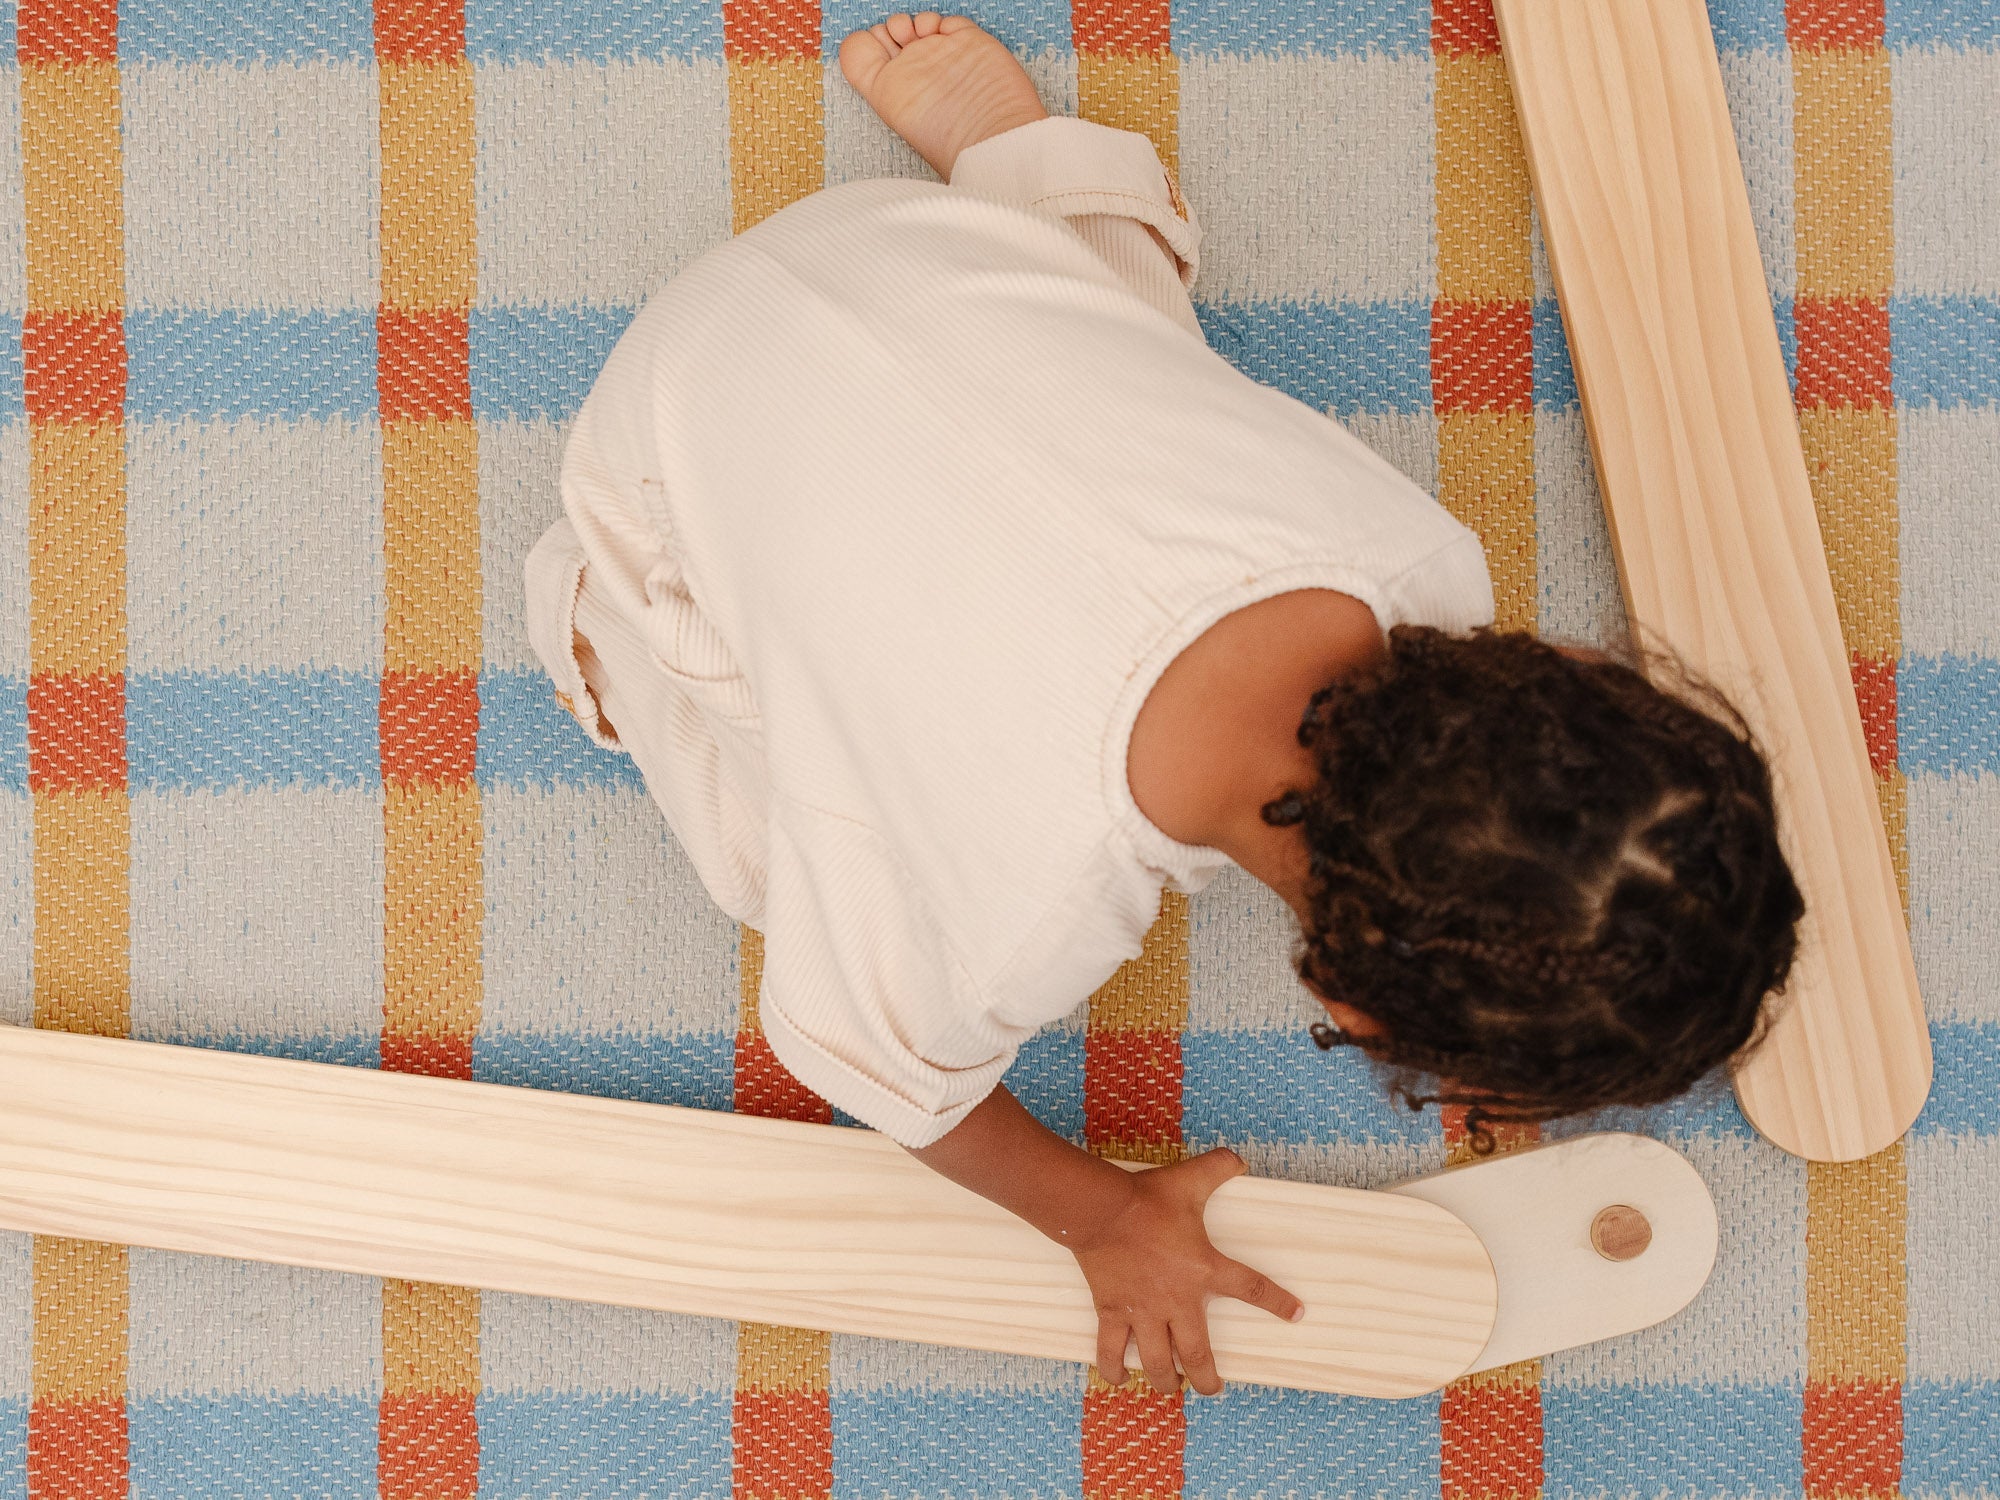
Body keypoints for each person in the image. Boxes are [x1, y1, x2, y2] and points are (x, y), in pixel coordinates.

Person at [524, 12, 1805, 1401]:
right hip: (659, 451)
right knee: (774, 864)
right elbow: (885, 1074)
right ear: (1353, 1009)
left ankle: (1034, 170)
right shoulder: (1006, 910)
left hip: (895, 251)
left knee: (1134, 348)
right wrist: (1107, 1213)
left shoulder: (1421, 564)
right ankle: (590, 612)